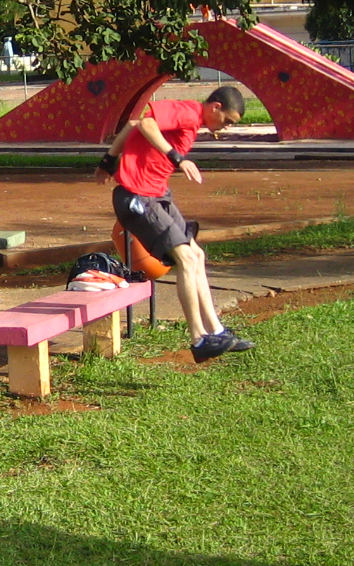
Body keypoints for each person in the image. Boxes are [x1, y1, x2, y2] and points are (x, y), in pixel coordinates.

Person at [95, 86, 253, 362]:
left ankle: (216, 331)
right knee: (186, 259)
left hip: (158, 195)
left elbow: (133, 125)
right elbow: (145, 123)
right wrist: (177, 158)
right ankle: (198, 338)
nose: (226, 127)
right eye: (227, 121)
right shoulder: (189, 112)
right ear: (215, 107)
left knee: (196, 254)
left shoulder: (194, 122)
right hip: (137, 197)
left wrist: (108, 161)